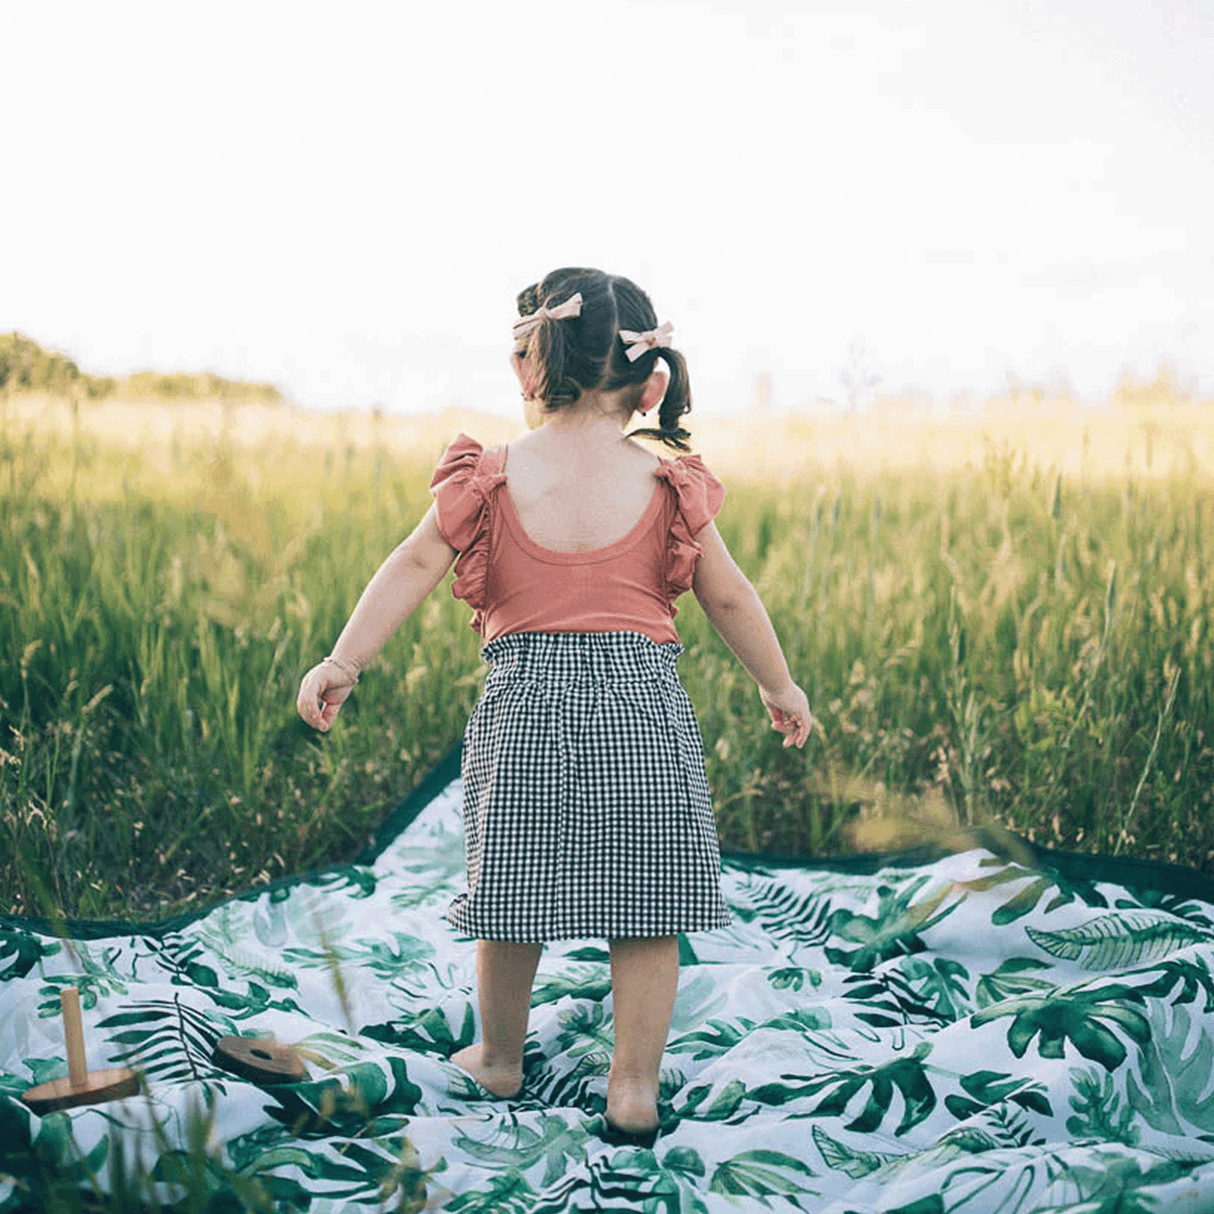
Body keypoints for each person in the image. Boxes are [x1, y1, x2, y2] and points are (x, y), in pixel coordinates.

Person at [296, 267, 812, 1142]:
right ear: (652, 382)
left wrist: (346, 658)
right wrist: (779, 682)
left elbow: (413, 564)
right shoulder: (669, 479)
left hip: (525, 710)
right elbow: (728, 595)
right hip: (642, 712)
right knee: (651, 908)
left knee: (510, 895)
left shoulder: (491, 477)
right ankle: (633, 1088)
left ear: (529, 371)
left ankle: (499, 1059)